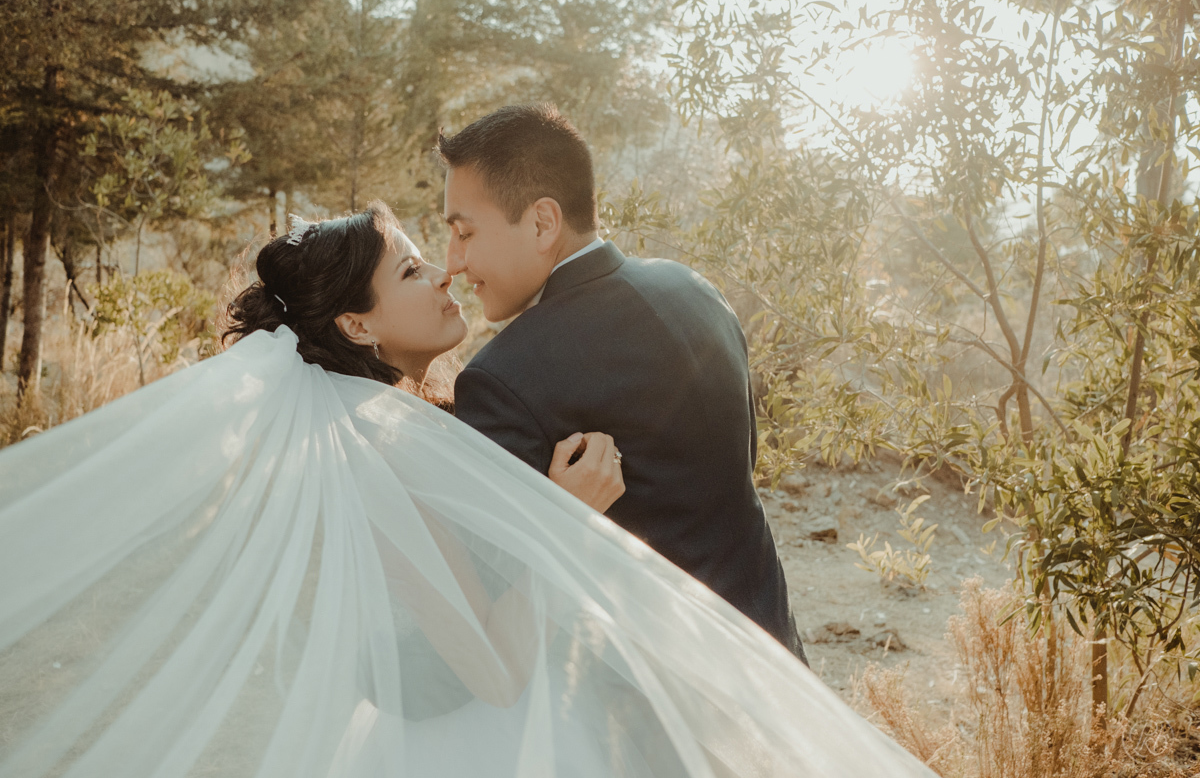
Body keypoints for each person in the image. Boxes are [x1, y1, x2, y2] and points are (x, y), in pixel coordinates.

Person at [0, 204, 934, 778]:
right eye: (412, 269)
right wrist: (565, 522)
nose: (444, 271)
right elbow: (492, 667)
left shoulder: (408, 424)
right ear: (357, 325)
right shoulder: (378, 459)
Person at [439, 103, 806, 661]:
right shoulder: (694, 290)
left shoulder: (502, 379)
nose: (453, 261)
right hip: (774, 652)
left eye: (465, 233)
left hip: (652, 685)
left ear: (542, 223)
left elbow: (496, 608)